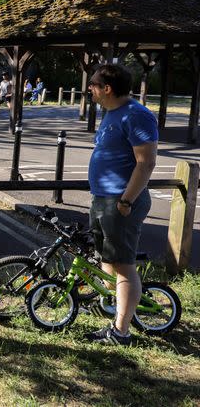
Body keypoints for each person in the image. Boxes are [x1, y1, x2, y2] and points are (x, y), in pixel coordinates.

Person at [85, 64, 157, 346]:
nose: (89, 88)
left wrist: (127, 200)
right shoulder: (111, 113)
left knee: (123, 266)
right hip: (104, 199)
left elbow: (146, 162)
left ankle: (121, 332)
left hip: (122, 202)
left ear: (107, 89)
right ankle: (113, 313)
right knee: (107, 261)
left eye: (93, 84)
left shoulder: (137, 116)